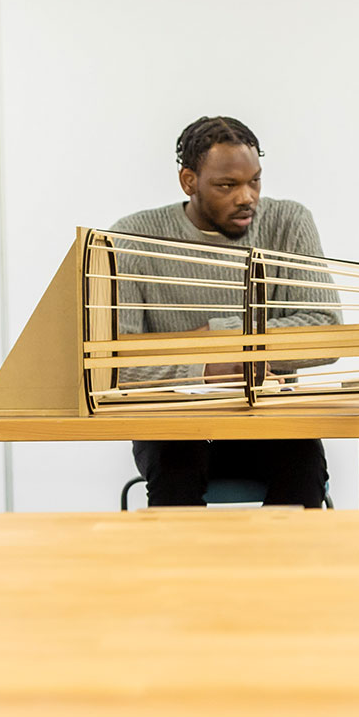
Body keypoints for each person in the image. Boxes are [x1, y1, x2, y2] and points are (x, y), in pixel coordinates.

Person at [111, 115, 338, 508]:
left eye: (255, 181)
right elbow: (114, 361)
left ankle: (283, 571)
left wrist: (220, 336)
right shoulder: (132, 239)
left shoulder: (289, 223)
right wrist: (199, 369)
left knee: (303, 470)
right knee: (175, 472)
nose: (247, 197)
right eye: (227, 185)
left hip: (269, 419)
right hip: (174, 423)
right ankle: (187, 571)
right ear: (189, 181)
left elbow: (326, 331)